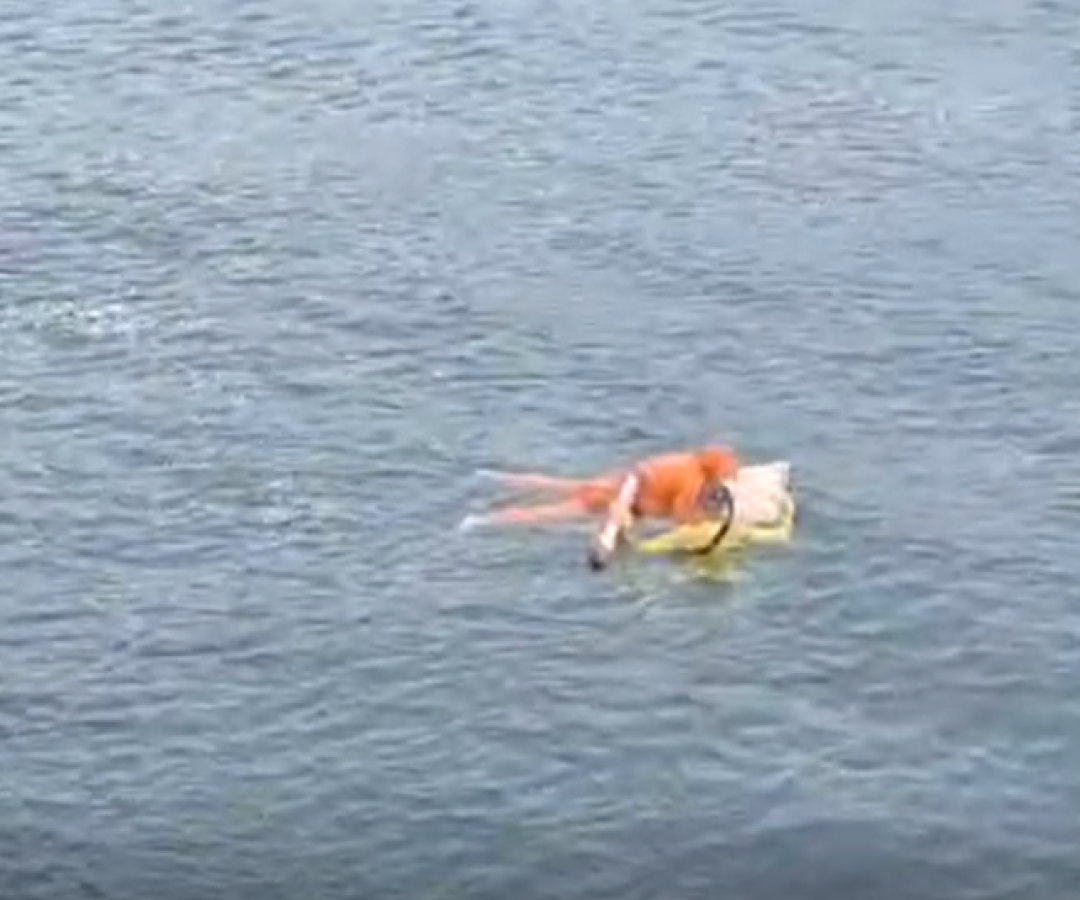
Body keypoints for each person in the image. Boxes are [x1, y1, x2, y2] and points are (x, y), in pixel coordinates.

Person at [463, 446, 741, 570]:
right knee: (548, 513)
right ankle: (482, 521)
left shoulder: (686, 462)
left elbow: (645, 475)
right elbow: (683, 519)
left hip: (617, 483)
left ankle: (493, 477)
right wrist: (705, 521)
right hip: (616, 498)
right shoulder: (693, 482)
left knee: (561, 485)